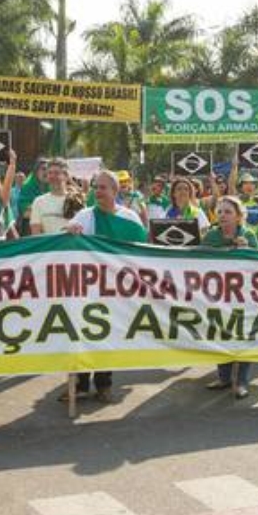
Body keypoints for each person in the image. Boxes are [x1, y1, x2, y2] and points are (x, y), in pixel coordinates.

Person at [65, 170, 148, 402]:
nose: (97, 191)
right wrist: (69, 231)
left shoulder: (130, 218)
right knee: (81, 335)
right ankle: (80, 384)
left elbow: (140, 254)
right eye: (95, 187)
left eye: (103, 187)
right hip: (86, 289)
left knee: (106, 336)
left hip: (115, 290)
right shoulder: (84, 215)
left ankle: (103, 384)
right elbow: (65, 238)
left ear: (115, 191)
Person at [202, 195, 258, 398]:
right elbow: (197, 263)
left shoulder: (249, 235)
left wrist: (247, 251)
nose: (222, 215)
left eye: (228, 212)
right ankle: (224, 377)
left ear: (239, 217)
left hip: (243, 297)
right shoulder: (211, 236)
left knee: (244, 336)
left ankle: (242, 382)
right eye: (219, 212)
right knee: (221, 333)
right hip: (218, 296)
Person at [29, 158, 73, 235]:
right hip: (49, 247)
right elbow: (36, 234)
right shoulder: (38, 201)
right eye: (49, 173)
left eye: (56, 173)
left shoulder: (77, 200)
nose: (52, 176)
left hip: (70, 246)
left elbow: (84, 229)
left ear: (66, 176)